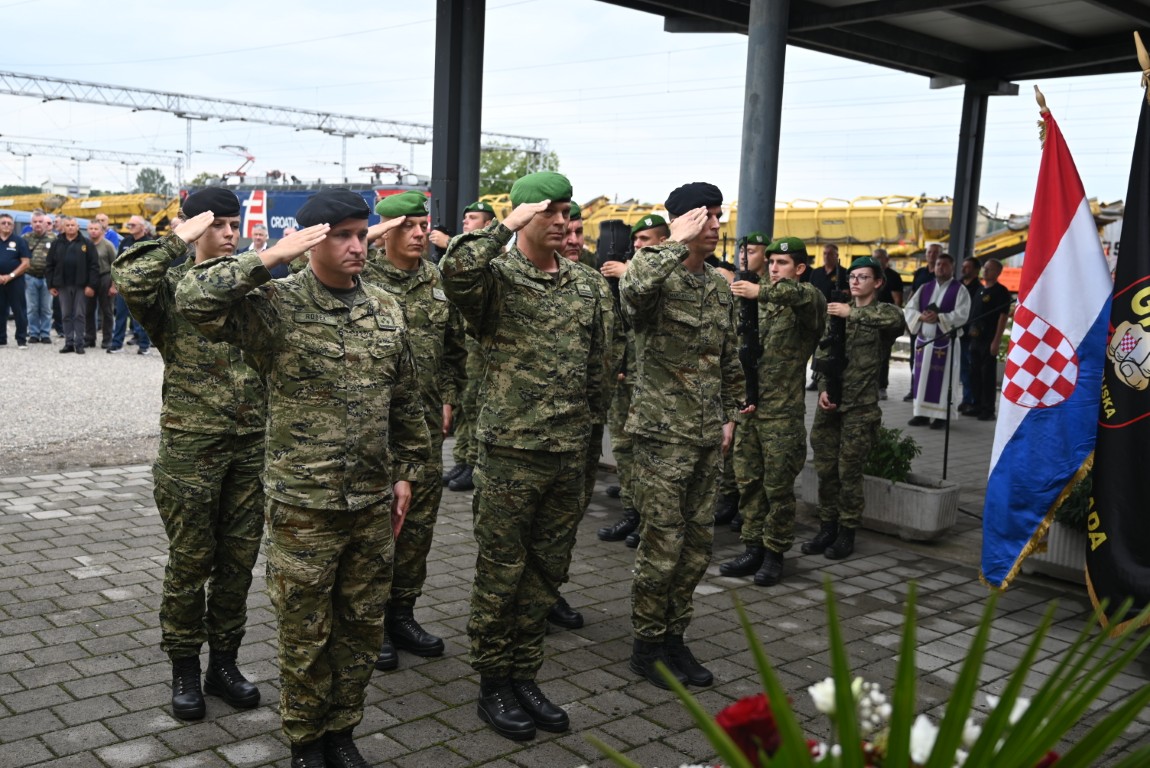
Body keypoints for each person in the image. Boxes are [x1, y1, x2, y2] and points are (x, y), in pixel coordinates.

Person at [176, 188, 431, 768]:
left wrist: (406, 474)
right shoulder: (276, 304)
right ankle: (305, 741)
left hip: (370, 502)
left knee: (361, 630)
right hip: (304, 506)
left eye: (362, 234)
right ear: (312, 240)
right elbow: (194, 299)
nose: (357, 246)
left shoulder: (386, 308)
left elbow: (404, 399)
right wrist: (270, 256)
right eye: (342, 236)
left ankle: (342, 732)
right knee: (305, 634)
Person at [440, 171, 606, 741]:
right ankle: (494, 683)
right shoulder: (496, 279)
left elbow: (598, 367)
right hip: (510, 454)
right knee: (501, 574)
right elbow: (455, 270)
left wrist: (589, 442)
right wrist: (504, 225)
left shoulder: (587, 285)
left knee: (545, 573)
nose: (562, 221)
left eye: (566, 211)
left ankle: (525, 673)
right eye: (549, 211)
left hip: (568, 452)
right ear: (524, 216)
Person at [112, 187, 268, 724]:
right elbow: (129, 277)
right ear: (194, 225)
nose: (228, 234)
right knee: (190, 562)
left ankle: (223, 663)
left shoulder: (249, 284)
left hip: (251, 445)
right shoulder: (170, 287)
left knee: (238, 563)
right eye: (217, 224)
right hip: (192, 447)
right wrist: (178, 237)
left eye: (232, 225)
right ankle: (183, 667)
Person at [621, 182, 742, 690]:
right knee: (662, 544)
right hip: (661, 435)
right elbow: (632, 293)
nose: (715, 225)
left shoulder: (717, 285)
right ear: (681, 221)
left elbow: (729, 355)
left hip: (706, 434)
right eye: (705, 216)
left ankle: (675, 637)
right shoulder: (654, 272)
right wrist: (672, 240)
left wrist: (731, 414)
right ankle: (647, 645)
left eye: (718, 216)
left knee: (696, 547)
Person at [365, 191, 466, 673]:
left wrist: (447, 396)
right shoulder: (360, 276)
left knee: (418, 526)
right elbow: (307, 262)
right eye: (407, 225)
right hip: (370, 428)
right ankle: (372, 625)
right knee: (376, 528)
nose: (420, 233)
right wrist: (369, 236)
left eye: (423, 225)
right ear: (386, 231)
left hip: (422, 428)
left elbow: (454, 349)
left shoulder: (436, 280)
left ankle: (402, 613)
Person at [722, 235, 825, 586]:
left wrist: (758, 291)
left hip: (782, 415)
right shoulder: (757, 300)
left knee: (777, 489)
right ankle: (752, 547)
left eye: (782, 263)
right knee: (748, 484)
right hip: (749, 410)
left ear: (800, 267)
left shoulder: (808, 300)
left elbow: (800, 295)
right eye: (771, 263)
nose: (774, 268)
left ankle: (774, 553)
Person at [802, 257, 905, 560]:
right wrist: (822, 388)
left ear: (878, 282)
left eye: (863, 277)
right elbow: (822, 355)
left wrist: (852, 314)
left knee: (849, 472)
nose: (856, 281)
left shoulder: (882, 314)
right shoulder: (837, 314)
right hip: (831, 403)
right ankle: (827, 526)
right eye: (853, 277)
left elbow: (896, 320)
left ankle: (847, 531)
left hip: (860, 407)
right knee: (826, 468)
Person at [549, 198, 620, 631]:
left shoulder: (591, 280)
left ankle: (549, 590)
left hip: (586, 421)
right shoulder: (518, 279)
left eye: (579, 232)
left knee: (567, 515)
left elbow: (609, 343)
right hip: (532, 428)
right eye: (568, 232)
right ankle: (523, 600)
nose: (574, 240)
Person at [597, 214, 668, 546]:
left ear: (664, 243)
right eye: (636, 240)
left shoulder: (668, 274)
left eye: (646, 240)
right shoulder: (621, 270)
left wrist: (628, 273)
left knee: (647, 452)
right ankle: (632, 512)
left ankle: (650, 520)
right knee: (623, 447)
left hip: (649, 379)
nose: (638, 245)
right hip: (621, 372)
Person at [442, 201, 500, 493]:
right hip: (464, 341)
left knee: (476, 403)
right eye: (464, 217)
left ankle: (475, 462)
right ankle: (463, 458)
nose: (466, 221)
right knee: (464, 403)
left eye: (473, 217)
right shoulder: (461, 250)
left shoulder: (494, 255)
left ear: (489, 224)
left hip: (481, 346)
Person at [904, 252, 970, 429]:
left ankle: (941, 416)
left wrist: (939, 318)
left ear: (952, 268)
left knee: (944, 380)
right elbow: (909, 308)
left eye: (945, 265)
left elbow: (963, 314)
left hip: (945, 344)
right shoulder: (925, 288)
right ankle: (921, 414)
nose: (941, 267)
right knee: (921, 379)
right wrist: (920, 317)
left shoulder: (960, 290)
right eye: (938, 264)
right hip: (924, 342)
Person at [46, 216, 98, 354]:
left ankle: (79, 343)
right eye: (67, 225)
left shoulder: (86, 243)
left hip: (81, 285)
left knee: (80, 314)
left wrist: (91, 285)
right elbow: (49, 265)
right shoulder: (56, 243)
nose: (70, 227)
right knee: (66, 314)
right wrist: (50, 285)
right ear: (63, 227)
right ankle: (68, 343)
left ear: (77, 227)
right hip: (63, 285)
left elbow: (94, 266)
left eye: (72, 225)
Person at [967, 258, 1011, 421]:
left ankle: (988, 409)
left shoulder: (1001, 292)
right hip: (975, 338)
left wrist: (996, 341)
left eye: (989, 269)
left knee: (987, 375)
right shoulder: (980, 290)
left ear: (998, 272)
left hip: (989, 339)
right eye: (984, 268)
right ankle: (976, 405)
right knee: (975, 373)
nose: (985, 271)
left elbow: (1002, 317)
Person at [107, 216, 155, 355]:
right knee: (120, 316)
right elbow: (117, 264)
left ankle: (144, 345)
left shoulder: (149, 243)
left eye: (133, 225)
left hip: (141, 287)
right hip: (124, 285)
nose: (130, 227)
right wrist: (114, 284)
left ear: (142, 227)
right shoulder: (125, 241)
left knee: (141, 318)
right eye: (129, 225)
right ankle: (117, 344)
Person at [807, 243, 848, 390]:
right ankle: (816, 378)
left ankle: (832, 377)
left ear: (837, 256)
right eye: (825, 253)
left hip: (834, 316)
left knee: (832, 348)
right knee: (816, 348)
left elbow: (847, 294)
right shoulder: (816, 272)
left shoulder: (843, 273)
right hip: (817, 315)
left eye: (830, 253)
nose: (827, 256)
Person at [904, 243, 940, 401]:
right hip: (918, 321)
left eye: (935, 252)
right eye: (929, 252)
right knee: (915, 357)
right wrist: (908, 316)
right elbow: (912, 294)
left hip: (934, 324)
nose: (932, 255)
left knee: (932, 360)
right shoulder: (920, 273)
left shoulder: (941, 275)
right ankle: (914, 389)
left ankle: (928, 391)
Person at [873, 248, 904, 400]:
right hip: (869, 318)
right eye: (875, 257)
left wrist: (893, 321)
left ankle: (881, 386)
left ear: (886, 259)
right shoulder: (870, 274)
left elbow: (898, 300)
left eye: (880, 257)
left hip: (885, 321)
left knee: (883, 355)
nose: (877, 260)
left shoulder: (893, 276)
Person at [23, 210, 56, 344]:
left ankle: (45, 333)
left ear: (45, 223)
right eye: (35, 221)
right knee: (32, 308)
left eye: (40, 221)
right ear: (31, 223)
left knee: (46, 308)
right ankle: (34, 333)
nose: (37, 224)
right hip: (30, 276)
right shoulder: (25, 238)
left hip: (47, 279)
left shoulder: (54, 239)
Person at [84, 220, 117, 350]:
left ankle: (107, 339)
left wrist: (114, 286)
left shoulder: (108, 245)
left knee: (106, 311)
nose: (93, 231)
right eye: (91, 228)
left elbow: (115, 266)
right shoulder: (85, 245)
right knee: (88, 310)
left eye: (96, 229)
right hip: (89, 279)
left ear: (102, 231)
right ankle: (89, 338)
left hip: (105, 277)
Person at [0, 213, 31, 348]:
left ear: (13, 226)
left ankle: (21, 339)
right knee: (1, 310)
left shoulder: (19, 241)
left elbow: (26, 263)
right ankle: (1, 338)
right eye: (3, 223)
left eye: (9, 223)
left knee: (19, 310)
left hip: (15, 281)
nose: (6, 225)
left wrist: (10, 276)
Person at [957, 256, 982, 415]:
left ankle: (969, 400)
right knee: (956, 369)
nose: (963, 269)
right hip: (953, 333)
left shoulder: (978, 289)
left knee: (968, 370)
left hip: (968, 336)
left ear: (976, 270)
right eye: (963, 266)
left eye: (967, 267)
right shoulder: (956, 285)